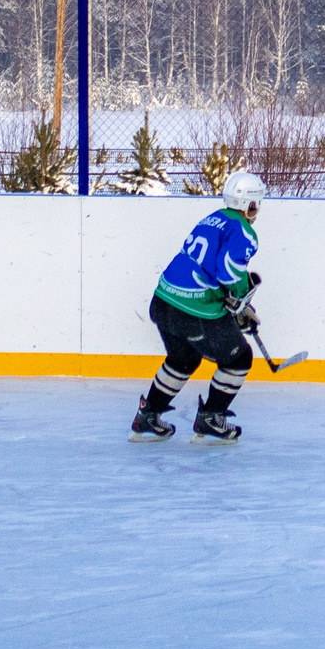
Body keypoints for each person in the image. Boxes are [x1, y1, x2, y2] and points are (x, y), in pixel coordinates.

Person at [133, 171, 266, 444]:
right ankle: (211, 418)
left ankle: (148, 416)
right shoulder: (244, 230)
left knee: (183, 359)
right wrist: (241, 299)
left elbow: (207, 267)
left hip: (163, 300)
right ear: (250, 204)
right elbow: (228, 271)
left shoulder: (211, 219)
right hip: (194, 311)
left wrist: (236, 306)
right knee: (239, 359)